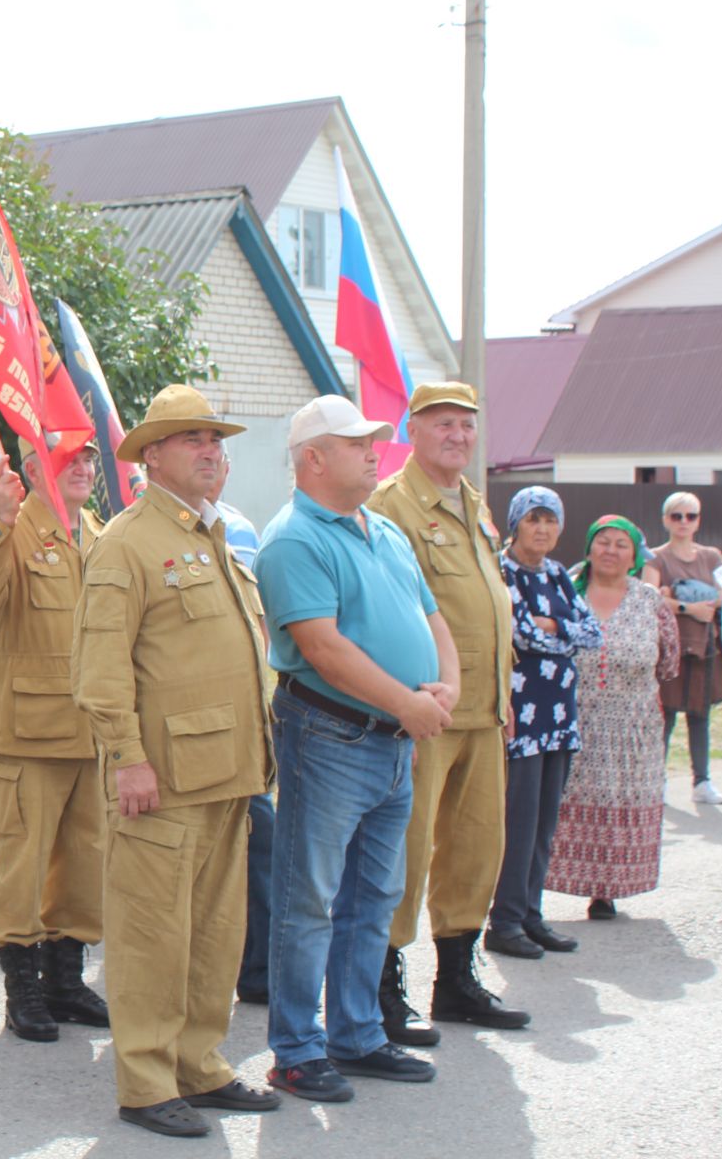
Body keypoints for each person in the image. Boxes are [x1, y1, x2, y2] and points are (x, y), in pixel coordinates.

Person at [75, 386, 277, 1138]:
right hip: (159, 781)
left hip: (227, 774)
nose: (211, 450)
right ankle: (147, 1081)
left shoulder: (213, 534)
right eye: (192, 438)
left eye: (216, 439)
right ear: (151, 454)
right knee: (152, 934)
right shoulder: (127, 542)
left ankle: (201, 1063)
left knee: (216, 932)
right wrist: (127, 758)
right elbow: (99, 673)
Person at [255, 394, 459, 1104]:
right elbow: (323, 649)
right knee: (309, 897)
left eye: (374, 441)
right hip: (331, 736)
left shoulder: (384, 531)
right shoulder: (294, 539)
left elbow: (432, 617)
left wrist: (448, 687)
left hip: (393, 740)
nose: (375, 452)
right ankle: (296, 1050)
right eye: (356, 444)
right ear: (312, 458)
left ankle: (357, 1033)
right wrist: (408, 701)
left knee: (375, 894)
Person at [368, 382, 527, 1042]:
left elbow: (489, 604)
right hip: (425, 711)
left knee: (475, 848)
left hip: (485, 710)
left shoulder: (474, 504)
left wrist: (504, 692)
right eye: (443, 424)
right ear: (414, 429)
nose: (458, 436)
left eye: (467, 425)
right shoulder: (391, 506)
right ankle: (381, 987)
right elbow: (379, 614)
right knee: (402, 854)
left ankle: (457, 979)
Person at [0, 437, 108, 1044]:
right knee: (23, 866)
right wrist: (1, 521)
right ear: (34, 468)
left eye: (90, 458)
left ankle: (66, 981)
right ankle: (24, 989)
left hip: (91, 731)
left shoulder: (97, 532)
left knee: (85, 863)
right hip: (30, 736)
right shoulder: (14, 527)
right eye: (71, 458)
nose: (85, 468)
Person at [487, 487, 601, 960]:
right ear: (516, 524)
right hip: (523, 714)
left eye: (550, 521)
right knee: (520, 818)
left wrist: (554, 629)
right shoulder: (502, 569)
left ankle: (532, 913)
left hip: (560, 714)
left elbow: (592, 632)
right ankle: (506, 919)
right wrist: (557, 632)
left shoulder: (558, 574)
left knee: (545, 822)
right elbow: (522, 634)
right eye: (533, 519)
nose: (542, 529)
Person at [547, 516, 680, 919]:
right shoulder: (565, 591)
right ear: (589, 548)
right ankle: (528, 893)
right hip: (571, 719)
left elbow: (669, 661)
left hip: (632, 727)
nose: (610, 550)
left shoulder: (649, 600)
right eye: (603, 541)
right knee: (559, 801)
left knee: (620, 803)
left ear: (634, 556)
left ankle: (605, 892)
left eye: (622, 544)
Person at [209, 452, 276, 1007]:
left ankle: (258, 972)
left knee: (262, 846)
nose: (213, 462)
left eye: (221, 453)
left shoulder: (242, 528)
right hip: (200, 723)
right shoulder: (142, 529)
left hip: (254, 714)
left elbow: (259, 619)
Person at [641, 491, 722, 805]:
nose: (684, 522)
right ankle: (656, 779)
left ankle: (702, 781)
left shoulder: (712, 556)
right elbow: (651, 598)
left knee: (700, 714)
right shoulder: (656, 557)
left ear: (698, 520)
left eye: (690, 516)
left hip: (704, 644)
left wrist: (675, 594)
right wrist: (689, 606)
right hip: (669, 646)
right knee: (666, 715)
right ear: (666, 520)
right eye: (677, 516)